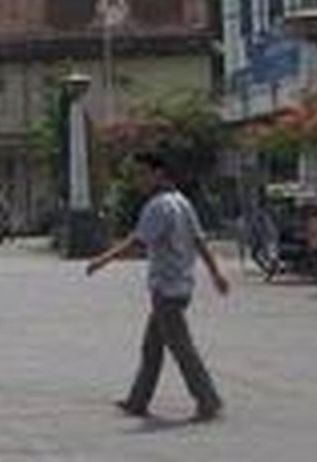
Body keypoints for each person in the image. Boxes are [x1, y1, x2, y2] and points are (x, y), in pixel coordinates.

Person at [86, 151, 229, 422]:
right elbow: (199, 241)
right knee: (152, 346)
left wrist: (103, 259)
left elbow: (138, 242)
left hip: (167, 289)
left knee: (181, 347)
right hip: (180, 285)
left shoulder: (159, 206)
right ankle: (138, 400)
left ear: (158, 173)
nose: (139, 180)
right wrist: (215, 274)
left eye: (142, 173)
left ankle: (208, 399)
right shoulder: (182, 202)